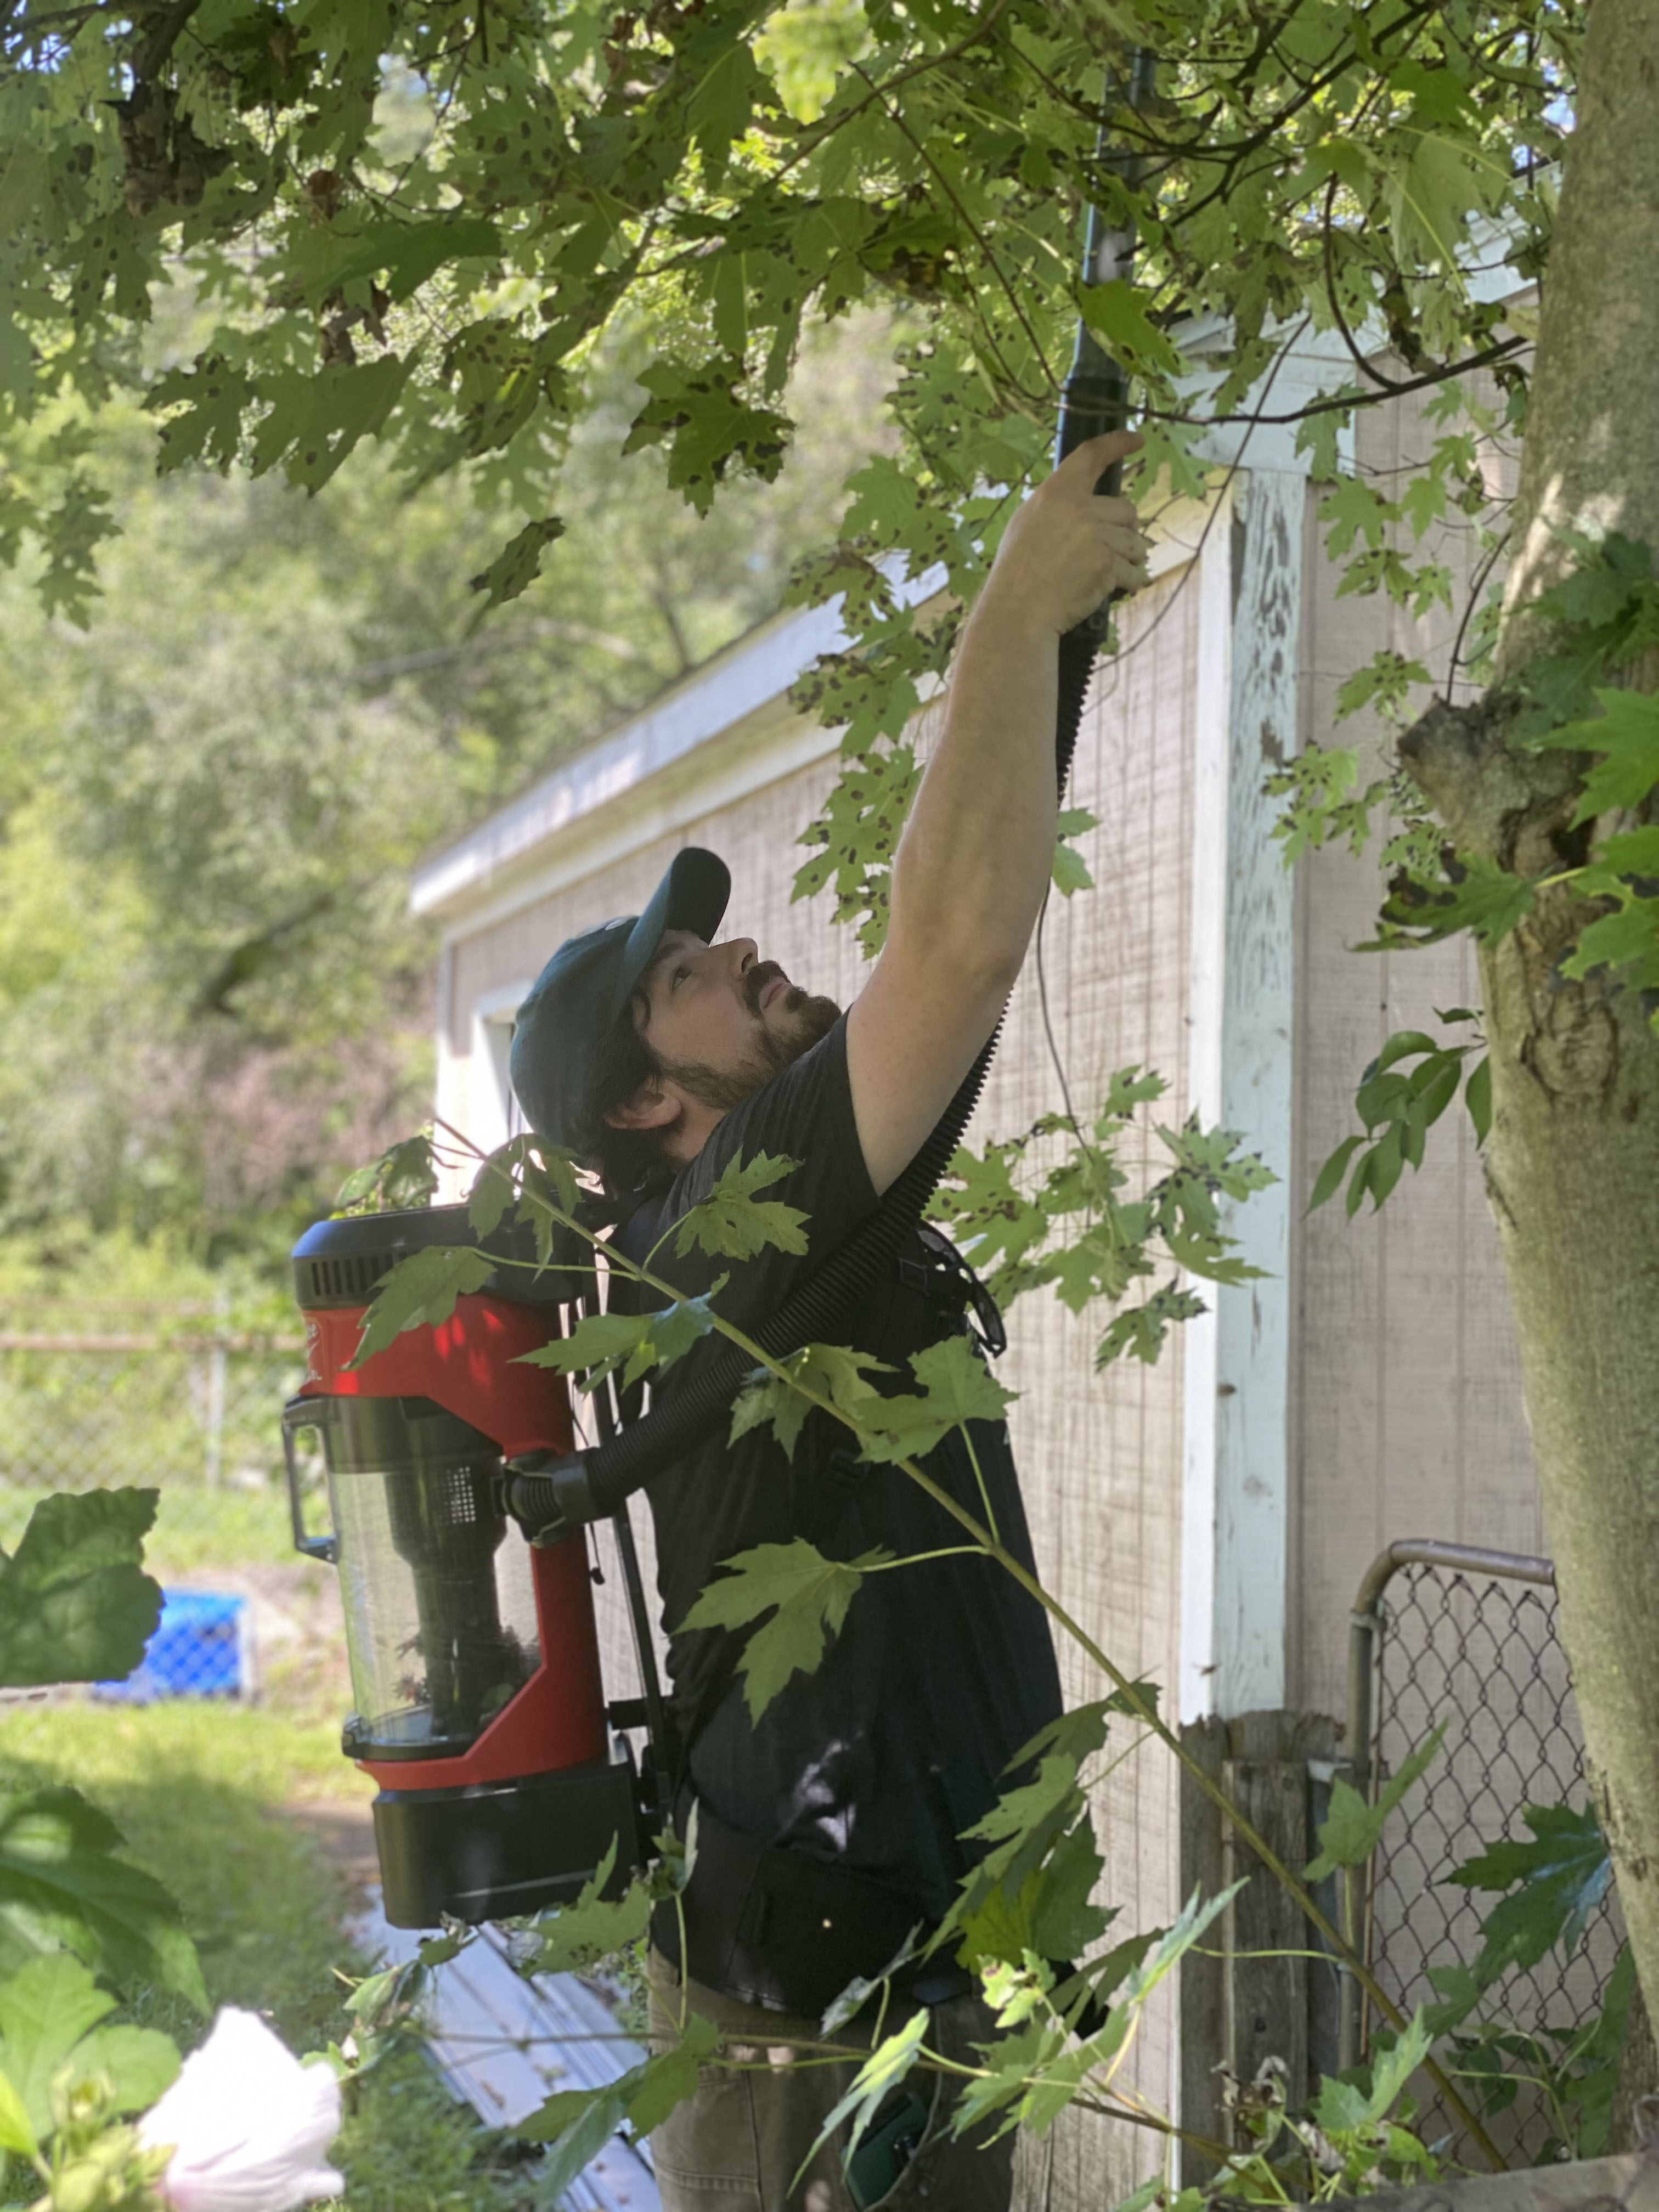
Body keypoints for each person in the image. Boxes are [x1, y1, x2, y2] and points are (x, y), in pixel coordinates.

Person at [507, 429, 1150, 2210]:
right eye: (683, 980)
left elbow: (959, 951)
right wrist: (1012, 609)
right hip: (821, 1966)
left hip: (901, 1936)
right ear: (646, 1105)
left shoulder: (749, 1223)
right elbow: (953, 941)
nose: (739, 961)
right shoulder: (726, 1224)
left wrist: (1037, 643)